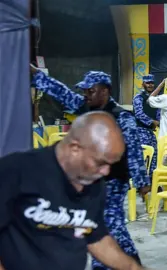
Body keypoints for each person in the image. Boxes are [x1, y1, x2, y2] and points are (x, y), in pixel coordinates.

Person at [30, 67, 151, 269]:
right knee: (98, 227)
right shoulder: (86, 108)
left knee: (109, 226)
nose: (85, 95)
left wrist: (142, 182)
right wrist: (37, 74)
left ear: (105, 91)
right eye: (84, 91)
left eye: (90, 91)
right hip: (88, 182)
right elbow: (63, 93)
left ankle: (127, 263)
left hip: (112, 183)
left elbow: (134, 151)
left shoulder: (121, 117)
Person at [0, 112, 144, 270]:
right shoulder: (17, 171)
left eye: (111, 164)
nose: (106, 171)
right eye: (100, 162)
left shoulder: (94, 183)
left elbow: (95, 236)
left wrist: (133, 267)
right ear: (75, 148)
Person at [132, 74, 160, 179]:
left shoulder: (156, 99)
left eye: (152, 83)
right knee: (143, 157)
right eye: (148, 83)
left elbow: (158, 114)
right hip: (140, 131)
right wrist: (152, 122)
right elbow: (139, 114)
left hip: (150, 132)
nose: (150, 85)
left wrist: (159, 122)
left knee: (154, 156)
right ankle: (141, 183)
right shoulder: (138, 98)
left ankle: (152, 181)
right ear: (143, 84)